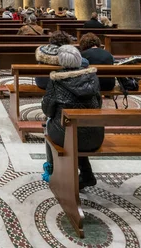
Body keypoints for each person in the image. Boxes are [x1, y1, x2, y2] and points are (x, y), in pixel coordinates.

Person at [41, 45, 104, 189]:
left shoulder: (56, 81)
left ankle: (53, 170)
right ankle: (87, 174)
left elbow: (47, 111)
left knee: (51, 125)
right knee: (78, 128)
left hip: (67, 135)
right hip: (95, 136)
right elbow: (98, 104)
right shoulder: (92, 78)